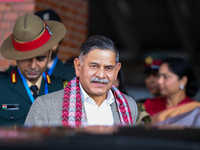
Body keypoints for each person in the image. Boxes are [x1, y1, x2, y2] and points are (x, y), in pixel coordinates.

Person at [24, 35, 138, 127]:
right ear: (78, 67)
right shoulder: (45, 107)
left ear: (116, 71)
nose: (101, 75)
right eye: (94, 66)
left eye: (108, 68)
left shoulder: (129, 106)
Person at [0, 13, 67, 126]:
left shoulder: (61, 89)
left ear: (50, 55)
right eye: (26, 59)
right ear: (16, 58)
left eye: (41, 58)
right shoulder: (2, 87)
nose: (33, 65)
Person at [144, 57, 200, 127]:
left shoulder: (195, 109)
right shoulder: (150, 105)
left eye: (165, 77)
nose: (159, 81)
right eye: (159, 76)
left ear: (183, 81)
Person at [34, 9, 75, 85]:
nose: (47, 41)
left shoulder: (73, 76)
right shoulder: (17, 73)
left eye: (52, 35)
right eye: (41, 35)